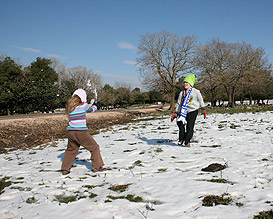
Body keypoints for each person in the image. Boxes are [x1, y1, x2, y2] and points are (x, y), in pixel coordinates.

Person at [61, 88, 106, 175]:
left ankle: (65, 168)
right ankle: (97, 166)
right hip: (81, 133)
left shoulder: (70, 107)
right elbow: (91, 110)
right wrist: (96, 105)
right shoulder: (84, 106)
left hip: (71, 132)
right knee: (94, 147)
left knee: (71, 150)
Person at [171, 74, 206, 147]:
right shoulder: (182, 93)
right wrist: (176, 112)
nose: (185, 84)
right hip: (183, 111)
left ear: (190, 84)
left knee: (190, 127)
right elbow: (179, 103)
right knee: (180, 125)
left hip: (193, 111)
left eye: (187, 82)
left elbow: (200, 100)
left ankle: (187, 141)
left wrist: (203, 108)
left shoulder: (196, 91)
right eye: (184, 82)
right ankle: (181, 139)